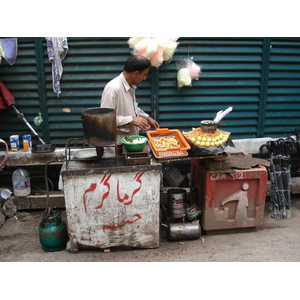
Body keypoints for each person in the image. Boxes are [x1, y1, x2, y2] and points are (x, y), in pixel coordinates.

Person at [100, 55, 159, 146]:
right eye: (144, 74)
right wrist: (131, 120)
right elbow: (104, 119)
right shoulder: (113, 88)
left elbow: (133, 108)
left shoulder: (130, 86)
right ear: (135, 73)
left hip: (129, 144)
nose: (144, 78)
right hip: (116, 146)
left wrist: (147, 117)